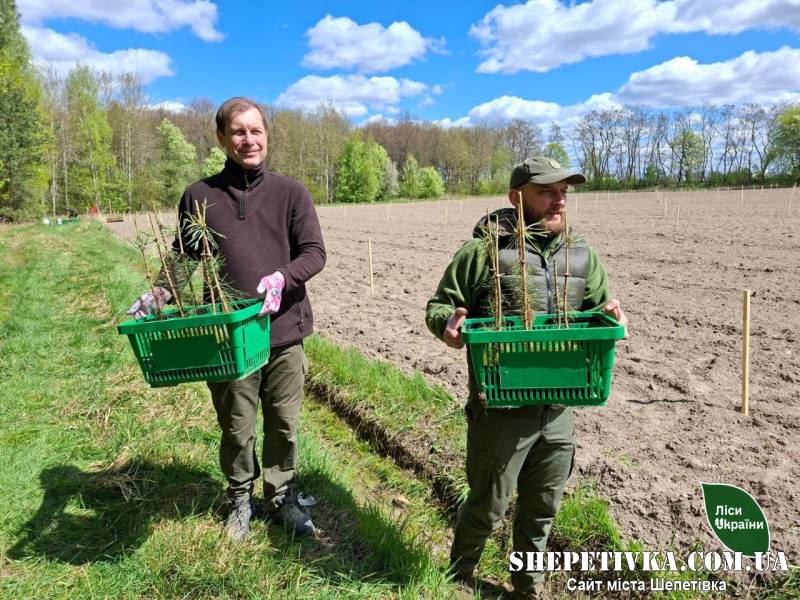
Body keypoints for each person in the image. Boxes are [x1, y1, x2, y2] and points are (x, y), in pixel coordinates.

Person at [425, 157, 627, 599]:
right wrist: (448, 325)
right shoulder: (481, 252)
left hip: (558, 407)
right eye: (547, 191)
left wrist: (609, 313)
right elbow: (440, 305)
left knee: (542, 508)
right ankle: (458, 578)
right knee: (488, 504)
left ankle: (528, 587)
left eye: (564, 192)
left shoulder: (580, 252)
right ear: (516, 198)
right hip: (500, 407)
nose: (559, 200)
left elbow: (598, 309)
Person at [127, 97, 326, 542]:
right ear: (221, 138)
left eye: (256, 131)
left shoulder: (291, 193)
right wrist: (160, 293)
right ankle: (240, 499)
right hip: (229, 336)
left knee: (284, 423)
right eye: (238, 131)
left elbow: (314, 253)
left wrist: (283, 277)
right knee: (236, 425)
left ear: (267, 135)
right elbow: (184, 255)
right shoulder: (200, 197)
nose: (248, 140)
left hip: (283, 330)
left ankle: (281, 497)